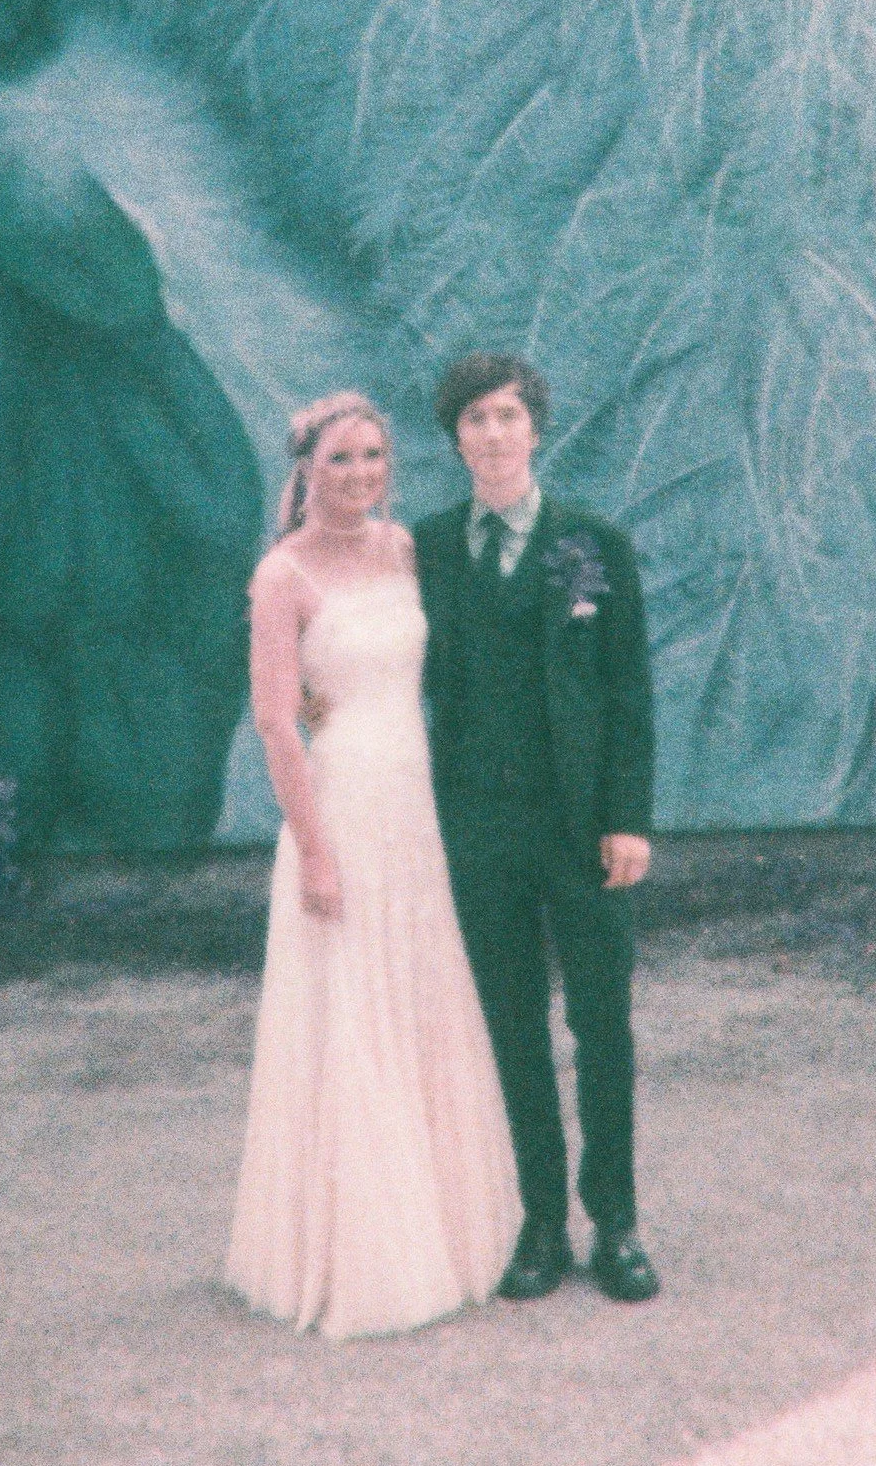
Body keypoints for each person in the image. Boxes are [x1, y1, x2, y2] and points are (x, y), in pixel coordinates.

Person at [225, 391, 521, 1338]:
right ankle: (366, 1251)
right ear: (304, 469)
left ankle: (447, 1221)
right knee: (351, 1010)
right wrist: (313, 848)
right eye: (340, 459)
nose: (359, 476)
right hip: (342, 808)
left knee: (416, 994)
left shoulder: (402, 552)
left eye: (374, 457)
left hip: (413, 806)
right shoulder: (282, 575)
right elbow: (279, 719)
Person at [413, 355, 660, 1304]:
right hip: (478, 827)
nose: (491, 433)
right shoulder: (429, 548)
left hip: (581, 829)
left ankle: (618, 1222)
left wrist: (628, 818)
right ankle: (541, 1222)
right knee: (510, 1028)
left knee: (600, 1023)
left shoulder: (593, 545)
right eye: (473, 418)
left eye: (507, 414)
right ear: (456, 437)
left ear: (535, 427)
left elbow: (628, 690)